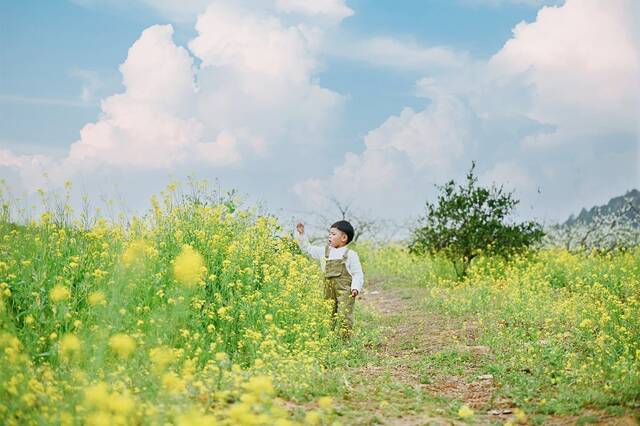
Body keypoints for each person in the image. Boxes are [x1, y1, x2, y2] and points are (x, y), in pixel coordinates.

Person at [295, 220, 364, 338]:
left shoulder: (350, 254)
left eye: (333, 234)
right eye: (329, 233)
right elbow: (308, 249)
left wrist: (355, 288)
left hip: (345, 290)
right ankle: (328, 338)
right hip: (328, 289)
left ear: (343, 237)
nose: (329, 236)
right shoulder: (325, 251)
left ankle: (345, 340)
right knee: (327, 314)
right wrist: (301, 235)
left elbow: (357, 274)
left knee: (344, 314)